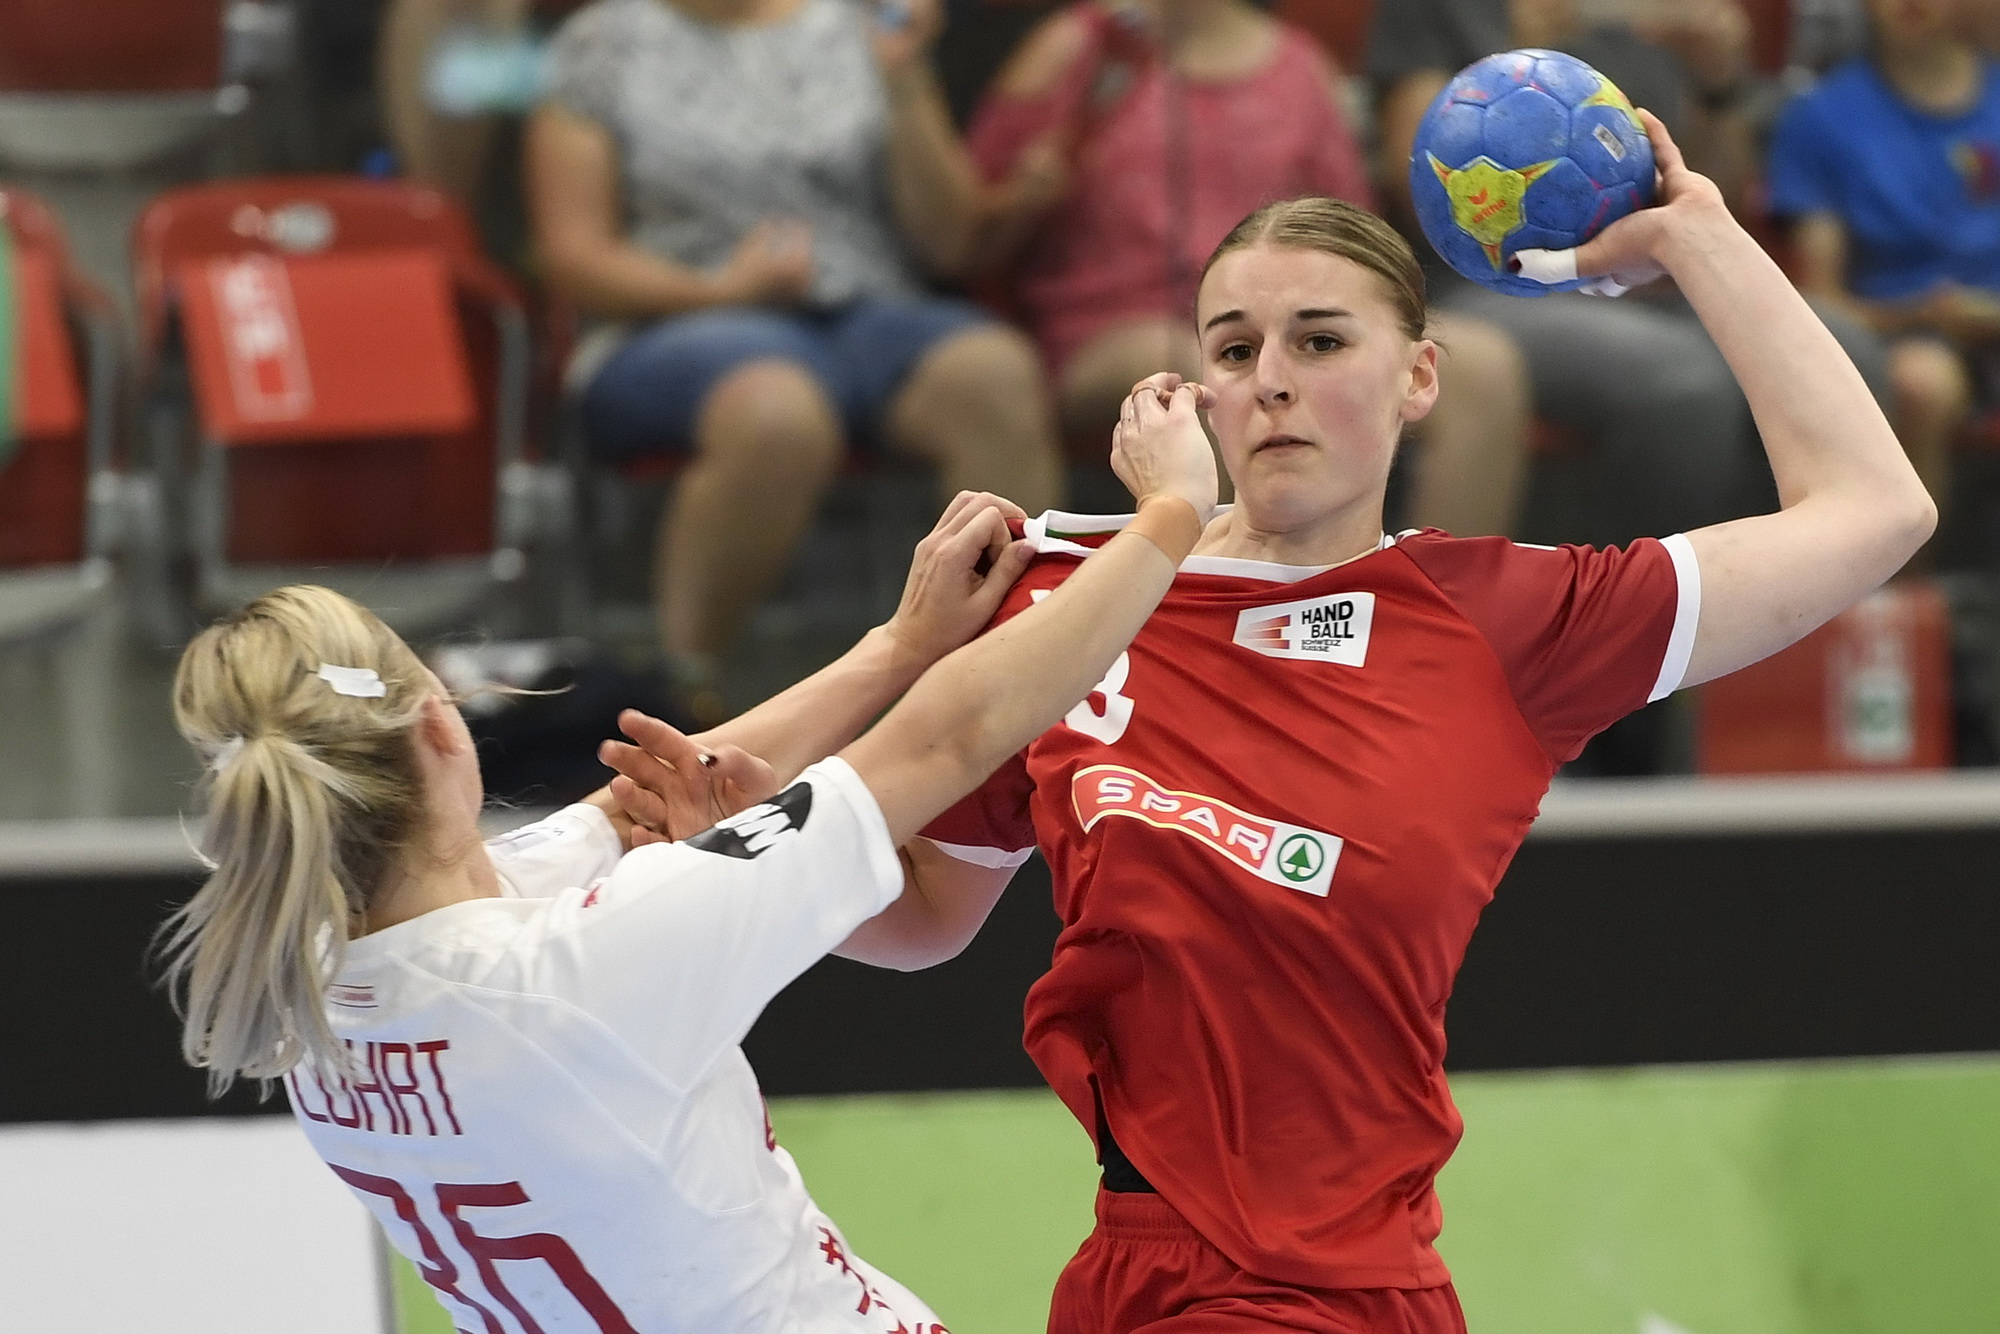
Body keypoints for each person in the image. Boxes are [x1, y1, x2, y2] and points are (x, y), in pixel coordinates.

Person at [613, 121, 1934, 1326]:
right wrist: (747, 854)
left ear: (1419, 377)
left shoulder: (1507, 617)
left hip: (1337, 1283)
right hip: (1125, 1270)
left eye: (1320, 341)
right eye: (1235, 349)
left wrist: (1695, 236)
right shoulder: (1077, 602)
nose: (1272, 383)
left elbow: (1874, 508)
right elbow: (926, 917)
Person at [158, 372, 1218, 1329]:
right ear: (443, 728)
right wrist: (1167, 516)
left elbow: (631, 811)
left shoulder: (318, 987)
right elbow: (944, 742)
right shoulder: (579, 971)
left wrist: (896, 646)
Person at [526, 0, 1065, 721]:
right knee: (778, 414)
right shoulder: (600, 43)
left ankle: (1020, 681)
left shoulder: (861, 22)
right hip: (676, 319)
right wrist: (720, 291)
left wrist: (904, 82)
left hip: (865, 309)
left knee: (993, 373)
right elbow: (572, 255)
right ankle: (684, 693)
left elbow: (950, 241)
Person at [965, 0, 1531, 537]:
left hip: (1285, 315)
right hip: (1107, 327)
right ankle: (1227, 592)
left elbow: (1356, 236)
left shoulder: (1301, 67)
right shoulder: (1082, 47)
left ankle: (1434, 595)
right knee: (1209, 372)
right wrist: (1023, 196)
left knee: (1482, 370)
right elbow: (968, 230)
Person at [1371, 0, 1779, 548]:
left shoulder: (1644, 20)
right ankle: (1647, 596)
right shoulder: (1454, 12)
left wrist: (1715, 88)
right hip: (1499, 282)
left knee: (1834, 346)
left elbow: (1719, 195)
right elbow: (1417, 180)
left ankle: (1826, 591)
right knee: (1686, 385)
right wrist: (1515, 71)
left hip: (1651, 274)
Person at [1767, 0, 2000, 530]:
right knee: (1921, 382)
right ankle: (1906, 577)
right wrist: (1920, 314)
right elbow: (1819, 303)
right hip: (1904, 333)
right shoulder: (1822, 117)